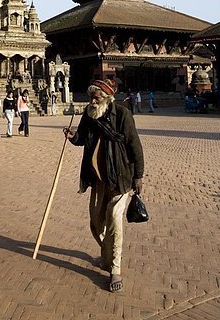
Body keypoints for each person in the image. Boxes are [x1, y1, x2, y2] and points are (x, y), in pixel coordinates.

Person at [64, 78, 144, 293]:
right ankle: (106, 256)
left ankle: (115, 268)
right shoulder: (89, 114)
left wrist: (138, 176)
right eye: (91, 96)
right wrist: (73, 136)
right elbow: (82, 139)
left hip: (120, 177)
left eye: (97, 96)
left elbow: (135, 145)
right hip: (97, 179)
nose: (92, 100)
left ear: (107, 97)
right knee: (97, 223)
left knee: (115, 220)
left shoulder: (123, 114)